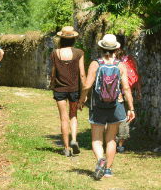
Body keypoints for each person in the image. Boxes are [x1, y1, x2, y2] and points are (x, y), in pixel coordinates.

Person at [79, 34, 134, 180]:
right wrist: (131, 108)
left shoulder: (95, 64)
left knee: (97, 139)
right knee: (111, 138)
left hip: (98, 105)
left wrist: (82, 99)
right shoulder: (120, 65)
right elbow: (126, 88)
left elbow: (87, 85)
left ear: (101, 48)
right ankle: (108, 170)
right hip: (116, 105)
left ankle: (100, 160)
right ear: (117, 49)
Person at [50, 26, 85, 157]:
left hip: (59, 89)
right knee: (73, 115)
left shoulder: (55, 53)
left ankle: (66, 148)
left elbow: (53, 73)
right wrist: (84, 92)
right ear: (73, 39)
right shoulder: (79, 53)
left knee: (63, 119)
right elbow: (82, 74)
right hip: (74, 89)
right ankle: (74, 139)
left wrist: (53, 86)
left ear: (61, 39)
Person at [114, 34, 142, 153]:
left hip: (114, 93)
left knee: (112, 116)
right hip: (128, 93)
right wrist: (139, 91)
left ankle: (112, 139)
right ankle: (120, 145)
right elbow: (137, 75)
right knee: (124, 118)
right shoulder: (130, 58)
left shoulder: (111, 60)